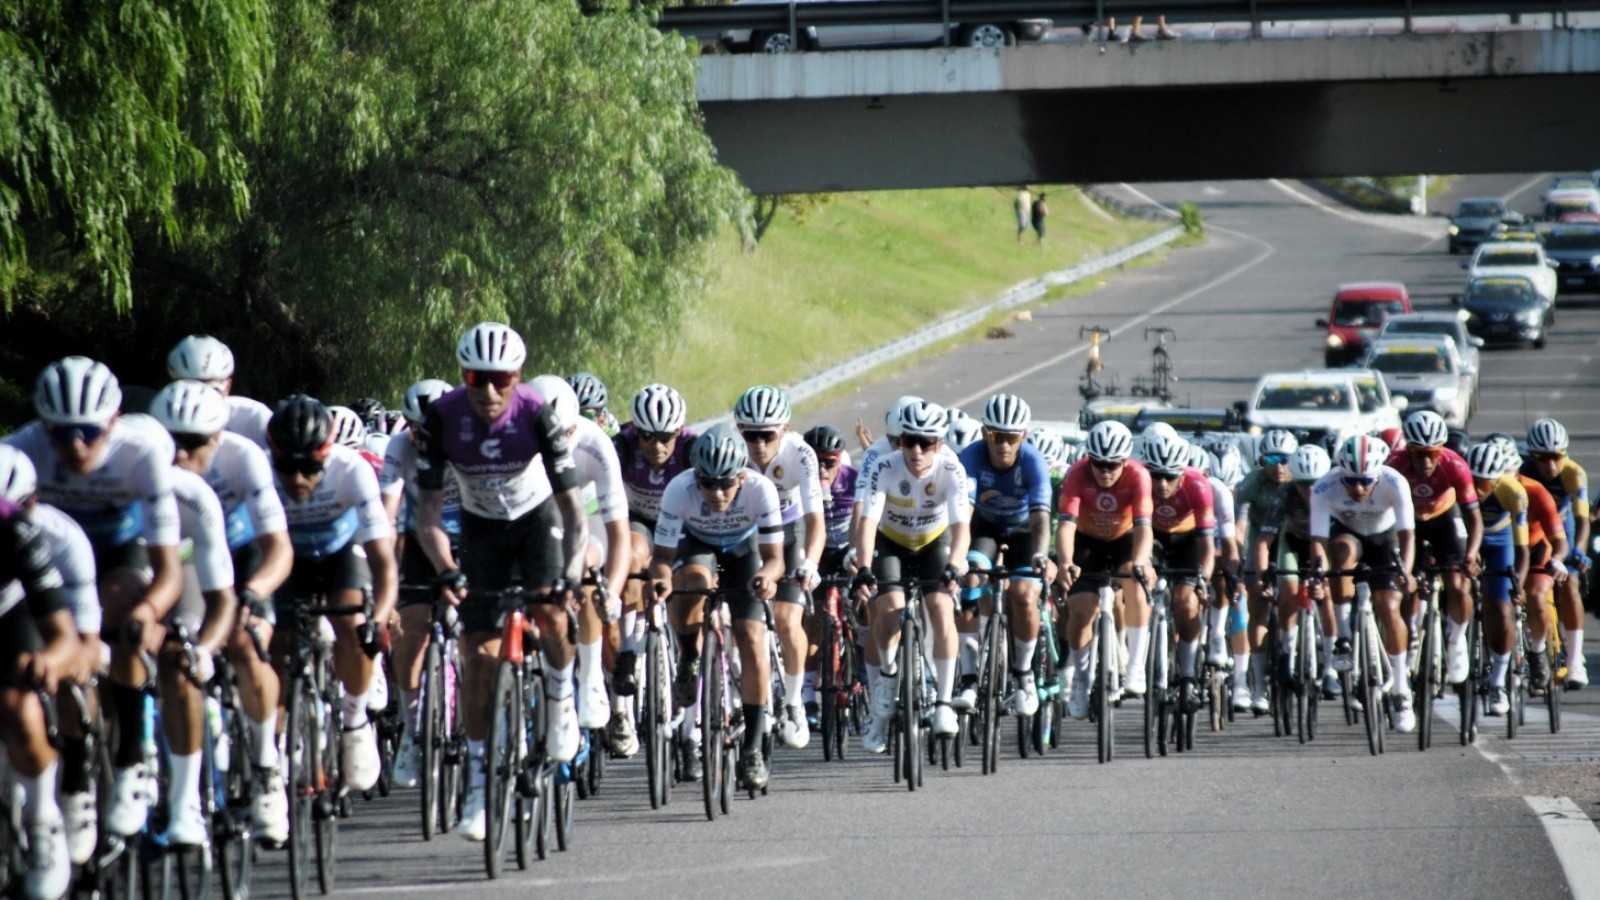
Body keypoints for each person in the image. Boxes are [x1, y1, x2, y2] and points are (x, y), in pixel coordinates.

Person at [412, 323, 589, 842]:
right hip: (482, 529)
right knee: (479, 661)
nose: (488, 391)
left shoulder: (536, 413)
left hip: (537, 521)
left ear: (518, 376)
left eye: (501, 379)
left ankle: (561, 697)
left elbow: (574, 512)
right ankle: (477, 786)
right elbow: (427, 513)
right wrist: (445, 567)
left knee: (552, 610)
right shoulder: (442, 417)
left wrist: (571, 575)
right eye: (476, 378)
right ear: (462, 375)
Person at [651, 424, 785, 790]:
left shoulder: (761, 490)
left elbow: (775, 558)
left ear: (742, 477)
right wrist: (662, 580)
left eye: (725, 484)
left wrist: (767, 577)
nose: (717, 493)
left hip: (744, 550)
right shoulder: (679, 490)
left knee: (752, 637)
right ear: (696, 477)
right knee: (690, 584)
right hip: (698, 544)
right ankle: (689, 656)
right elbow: (661, 558)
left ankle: (753, 748)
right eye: (707, 484)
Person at [852, 400, 971, 754]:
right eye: (909, 441)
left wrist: (956, 565)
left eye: (926, 442)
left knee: (941, 607)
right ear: (899, 440)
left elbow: (961, 528)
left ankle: (944, 703)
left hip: (935, 542)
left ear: (939, 443)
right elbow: (867, 523)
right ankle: (886, 687)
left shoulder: (951, 469)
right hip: (892, 543)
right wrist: (863, 568)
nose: (917, 451)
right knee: (888, 611)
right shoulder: (884, 466)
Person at [733, 386, 825, 750]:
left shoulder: (801, 454)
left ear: (784, 429)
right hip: (748, 534)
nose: (758, 444)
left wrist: (810, 564)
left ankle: (794, 701)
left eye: (767, 435)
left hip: (789, 532)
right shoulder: (733, 451)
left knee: (787, 620)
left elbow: (815, 521)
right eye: (750, 434)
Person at [1306, 435, 1418, 732]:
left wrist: (1405, 573)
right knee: (1341, 554)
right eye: (1350, 481)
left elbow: (1407, 536)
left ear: (1377, 474)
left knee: (1388, 605)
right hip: (1348, 535)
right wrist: (1318, 575)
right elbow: (1318, 542)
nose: (1358, 488)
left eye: (1366, 481)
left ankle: (1401, 689)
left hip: (1385, 539)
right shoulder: (1324, 486)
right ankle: (1344, 637)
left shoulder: (1395, 482)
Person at [0, 493, 81, 900]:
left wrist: (46, 663)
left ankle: (42, 816)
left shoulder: (14, 528)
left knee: (19, 703)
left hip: (12, 616)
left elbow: (65, 639)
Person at [1054, 420, 1155, 719]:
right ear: (1090, 459)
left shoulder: (1139, 475)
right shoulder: (1076, 474)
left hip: (1125, 538)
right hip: (1087, 541)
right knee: (1081, 609)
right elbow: (1066, 526)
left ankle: (1135, 667)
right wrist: (1065, 562)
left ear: (1124, 461)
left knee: (1135, 580)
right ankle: (1080, 678)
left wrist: (1141, 562)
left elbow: (1144, 527)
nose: (1105, 471)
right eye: (1098, 463)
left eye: (1113, 465)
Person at [166, 335, 273, 450]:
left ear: (227, 387)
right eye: (187, 391)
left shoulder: (255, 419)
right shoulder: (158, 421)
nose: (199, 400)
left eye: (212, 390)